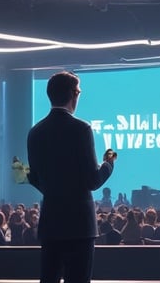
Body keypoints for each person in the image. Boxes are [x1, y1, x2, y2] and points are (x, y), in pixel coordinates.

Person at [26, 71, 116, 283]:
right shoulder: (81, 128)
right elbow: (93, 180)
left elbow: (35, 178)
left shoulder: (35, 132)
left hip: (51, 224)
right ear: (74, 94)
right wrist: (109, 163)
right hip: (79, 225)